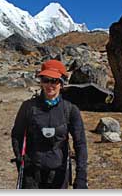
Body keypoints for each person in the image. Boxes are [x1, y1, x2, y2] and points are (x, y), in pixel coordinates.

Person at [11, 59, 88, 189]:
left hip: (59, 175)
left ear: (61, 83)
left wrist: (81, 177)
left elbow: (80, 143)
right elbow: (17, 135)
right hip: (31, 175)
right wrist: (20, 159)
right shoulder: (28, 107)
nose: (49, 85)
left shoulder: (70, 110)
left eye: (54, 81)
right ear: (41, 82)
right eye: (45, 80)